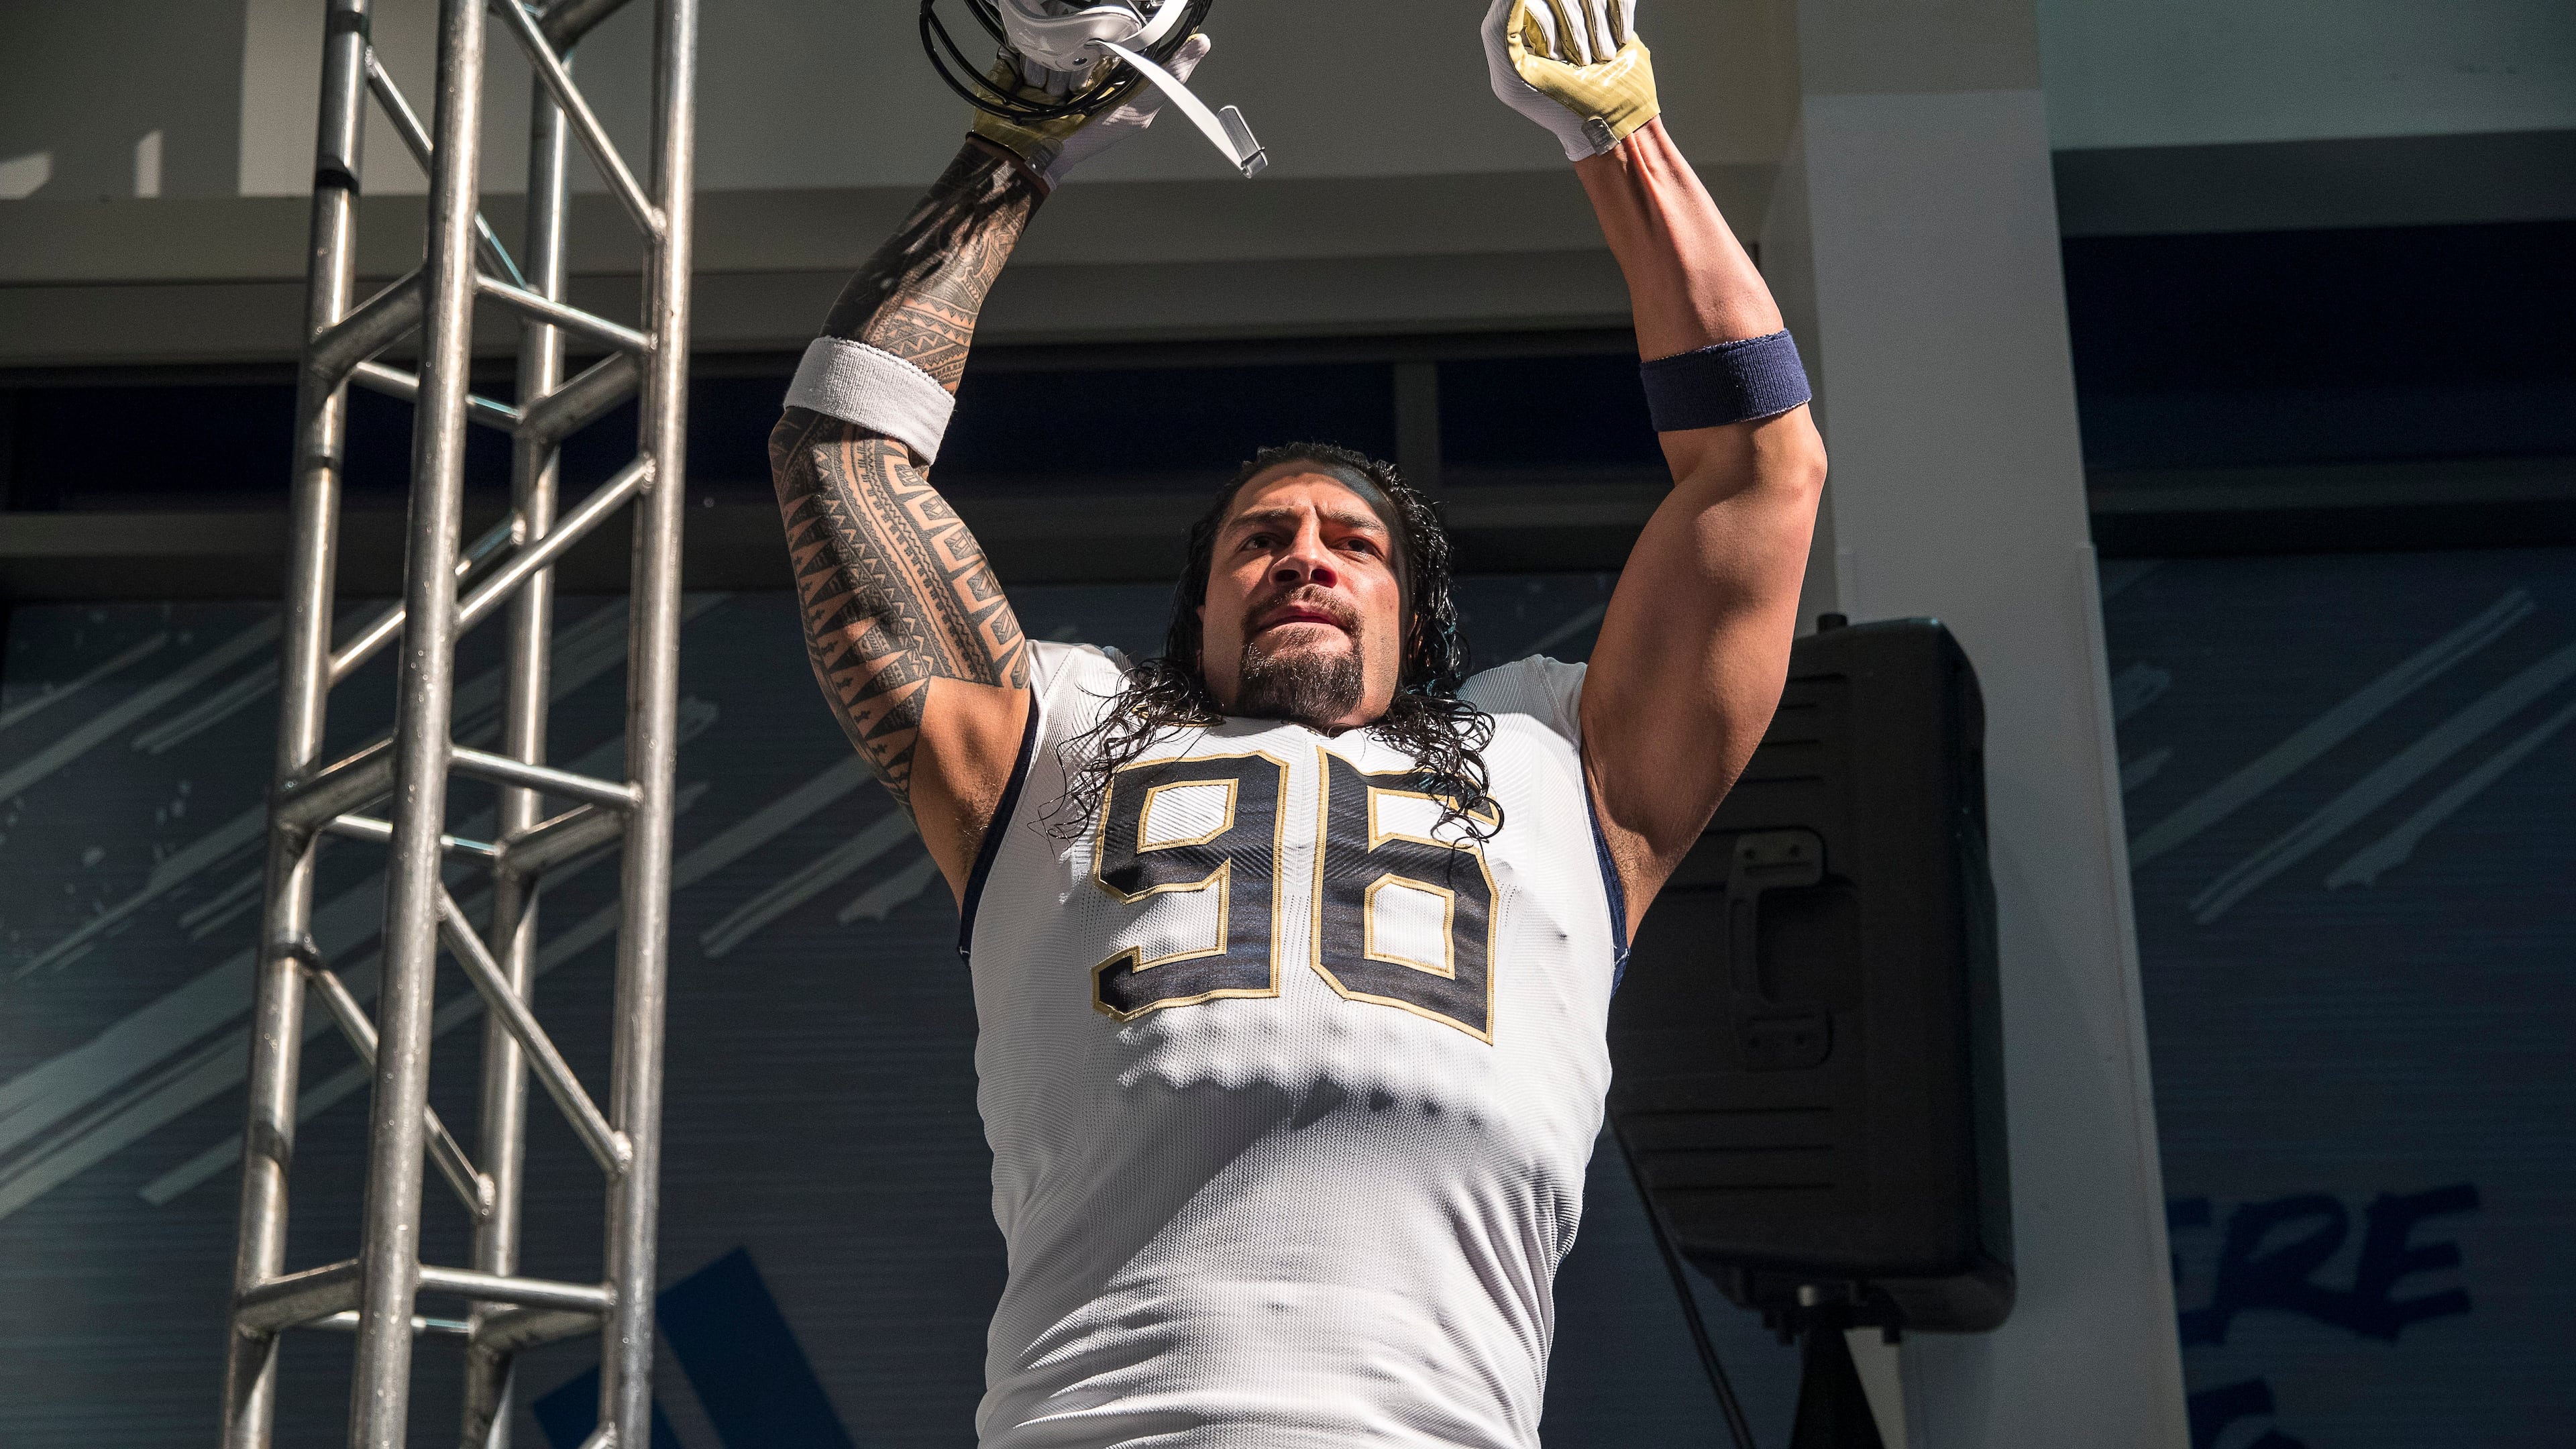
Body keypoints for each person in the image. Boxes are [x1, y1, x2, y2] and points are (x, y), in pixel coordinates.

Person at [767, 1, 1826, 1441]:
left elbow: (1759, 473)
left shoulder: (1563, 769)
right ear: (1197, 615)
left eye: (1355, 542)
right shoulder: (1067, 740)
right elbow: (843, 459)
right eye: (1259, 541)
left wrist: (1620, 133)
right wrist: (1020, 138)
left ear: (1415, 619)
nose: (1308, 557)